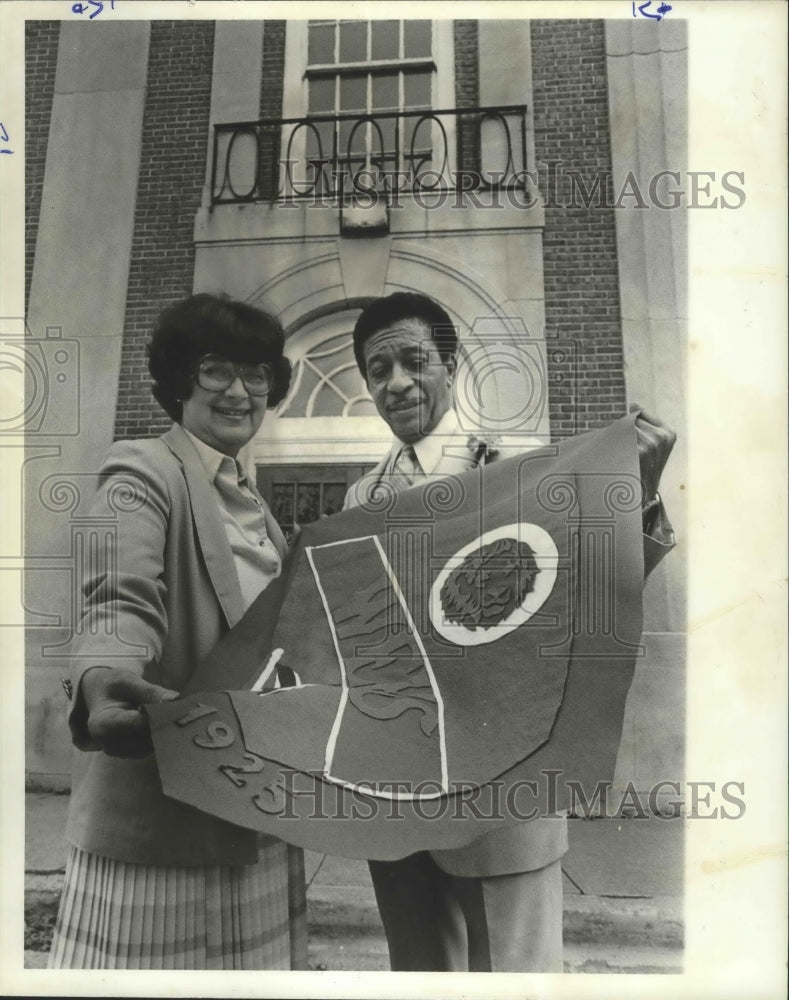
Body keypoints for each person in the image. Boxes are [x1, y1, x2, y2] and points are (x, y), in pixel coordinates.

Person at [344, 291, 676, 973]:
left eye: (413, 360)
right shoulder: (359, 499)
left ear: (449, 365)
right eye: (379, 370)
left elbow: (593, 593)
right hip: (397, 792)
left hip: (504, 787)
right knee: (418, 976)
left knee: (514, 977)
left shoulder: (522, 470)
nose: (397, 382)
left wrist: (635, 493)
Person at [48, 293, 307, 970]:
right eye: (216, 370)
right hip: (165, 818)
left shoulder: (253, 503)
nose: (239, 392)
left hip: (254, 810)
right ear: (177, 380)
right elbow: (118, 596)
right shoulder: (140, 472)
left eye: (256, 375)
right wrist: (105, 680)